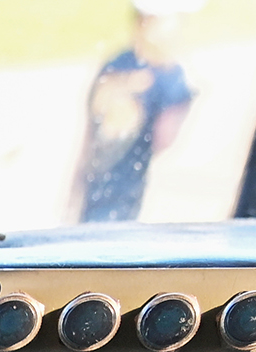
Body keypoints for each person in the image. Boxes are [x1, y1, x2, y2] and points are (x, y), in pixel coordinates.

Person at [75, 2, 200, 220]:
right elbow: (164, 141)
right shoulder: (169, 77)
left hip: (109, 198)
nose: (181, 26)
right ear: (149, 22)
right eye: (175, 19)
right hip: (120, 205)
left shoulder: (119, 64)